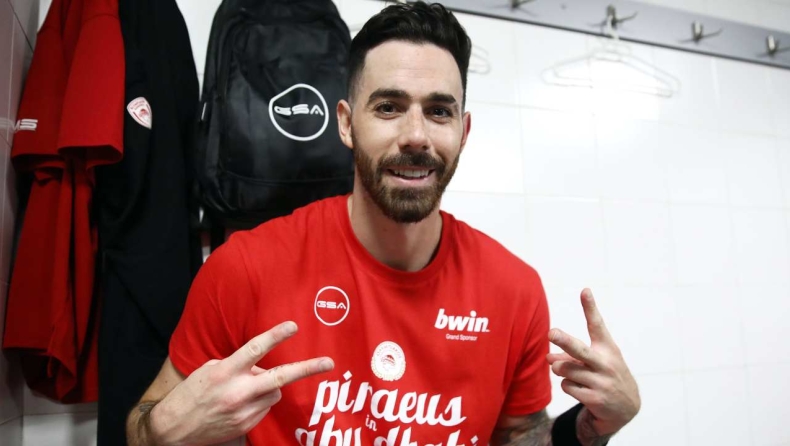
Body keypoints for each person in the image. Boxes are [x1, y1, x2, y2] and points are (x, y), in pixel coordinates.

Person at [126, 2, 640, 445]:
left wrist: (591, 426)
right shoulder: (244, 268)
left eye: (438, 112)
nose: (416, 135)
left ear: (463, 132)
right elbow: (142, 424)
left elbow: (521, 436)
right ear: (346, 123)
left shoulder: (514, 290)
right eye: (389, 107)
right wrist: (163, 430)